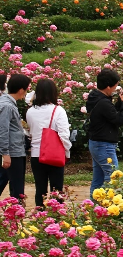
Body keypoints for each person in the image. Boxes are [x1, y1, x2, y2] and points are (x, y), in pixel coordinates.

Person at [26, 78, 71, 207]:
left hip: (36, 154)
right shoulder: (58, 111)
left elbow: (31, 131)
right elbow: (64, 135)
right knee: (57, 189)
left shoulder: (30, 111)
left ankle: (40, 216)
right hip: (54, 154)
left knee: (40, 188)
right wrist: (67, 152)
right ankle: (56, 217)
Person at [86, 69, 123, 198]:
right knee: (113, 177)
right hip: (104, 145)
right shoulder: (103, 102)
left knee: (98, 178)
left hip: (96, 142)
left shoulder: (95, 97)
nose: (117, 88)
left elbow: (110, 115)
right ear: (108, 86)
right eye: (116, 85)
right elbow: (118, 120)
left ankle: (94, 207)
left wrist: (119, 102)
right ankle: (107, 207)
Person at [0, 74, 31, 202]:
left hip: (13, 150)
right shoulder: (7, 106)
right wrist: (5, 153)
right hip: (12, 152)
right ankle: (17, 214)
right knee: (17, 188)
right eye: (27, 89)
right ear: (21, 90)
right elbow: (3, 130)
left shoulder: (7, 102)